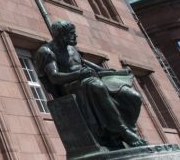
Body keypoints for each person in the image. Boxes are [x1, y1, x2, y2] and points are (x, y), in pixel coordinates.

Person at [35, 20, 147, 149]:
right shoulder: (46, 51)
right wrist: (79, 75)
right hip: (70, 86)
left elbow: (83, 63)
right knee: (96, 86)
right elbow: (54, 78)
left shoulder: (71, 48)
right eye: (72, 33)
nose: (75, 36)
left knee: (132, 96)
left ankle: (128, 130)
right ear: (61, 34)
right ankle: (122, 130)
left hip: (87, 79)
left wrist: (105, 71)